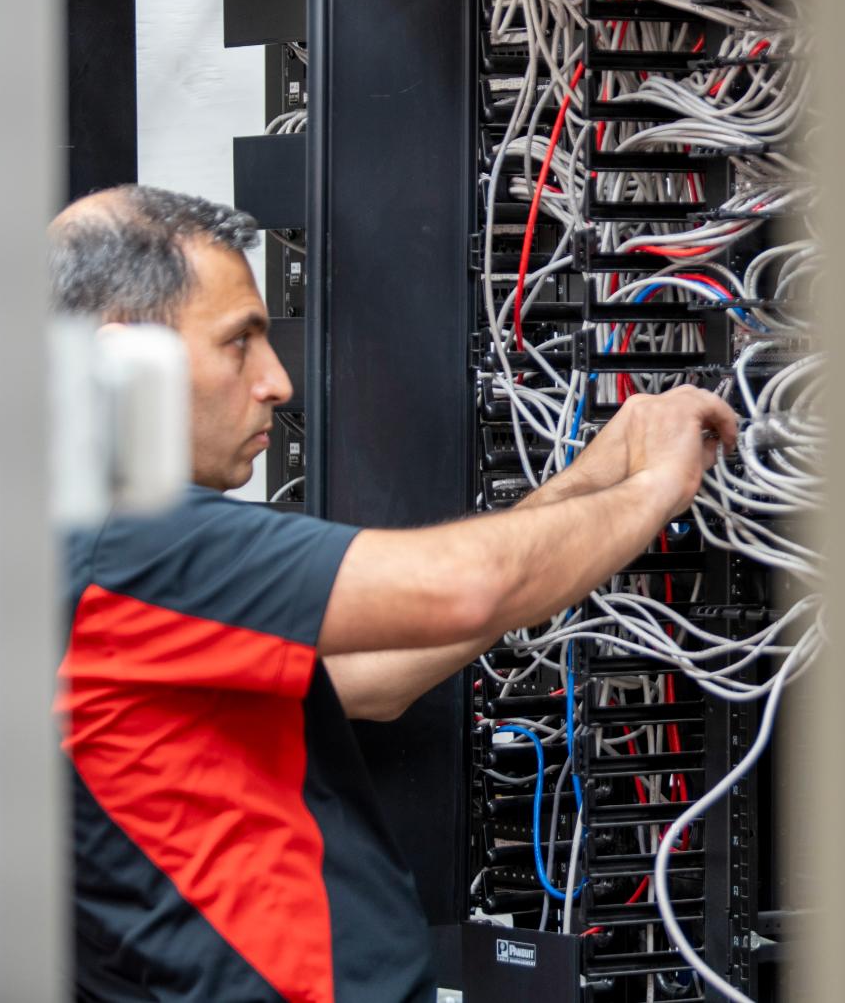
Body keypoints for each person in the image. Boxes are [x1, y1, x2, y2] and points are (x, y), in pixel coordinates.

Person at [49, 184, 737, 1002]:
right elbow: (468, 589)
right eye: (240, 343)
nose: (276, 382)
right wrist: (659, 485)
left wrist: (595, 477)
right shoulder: (130, 540)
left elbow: (365, 679)